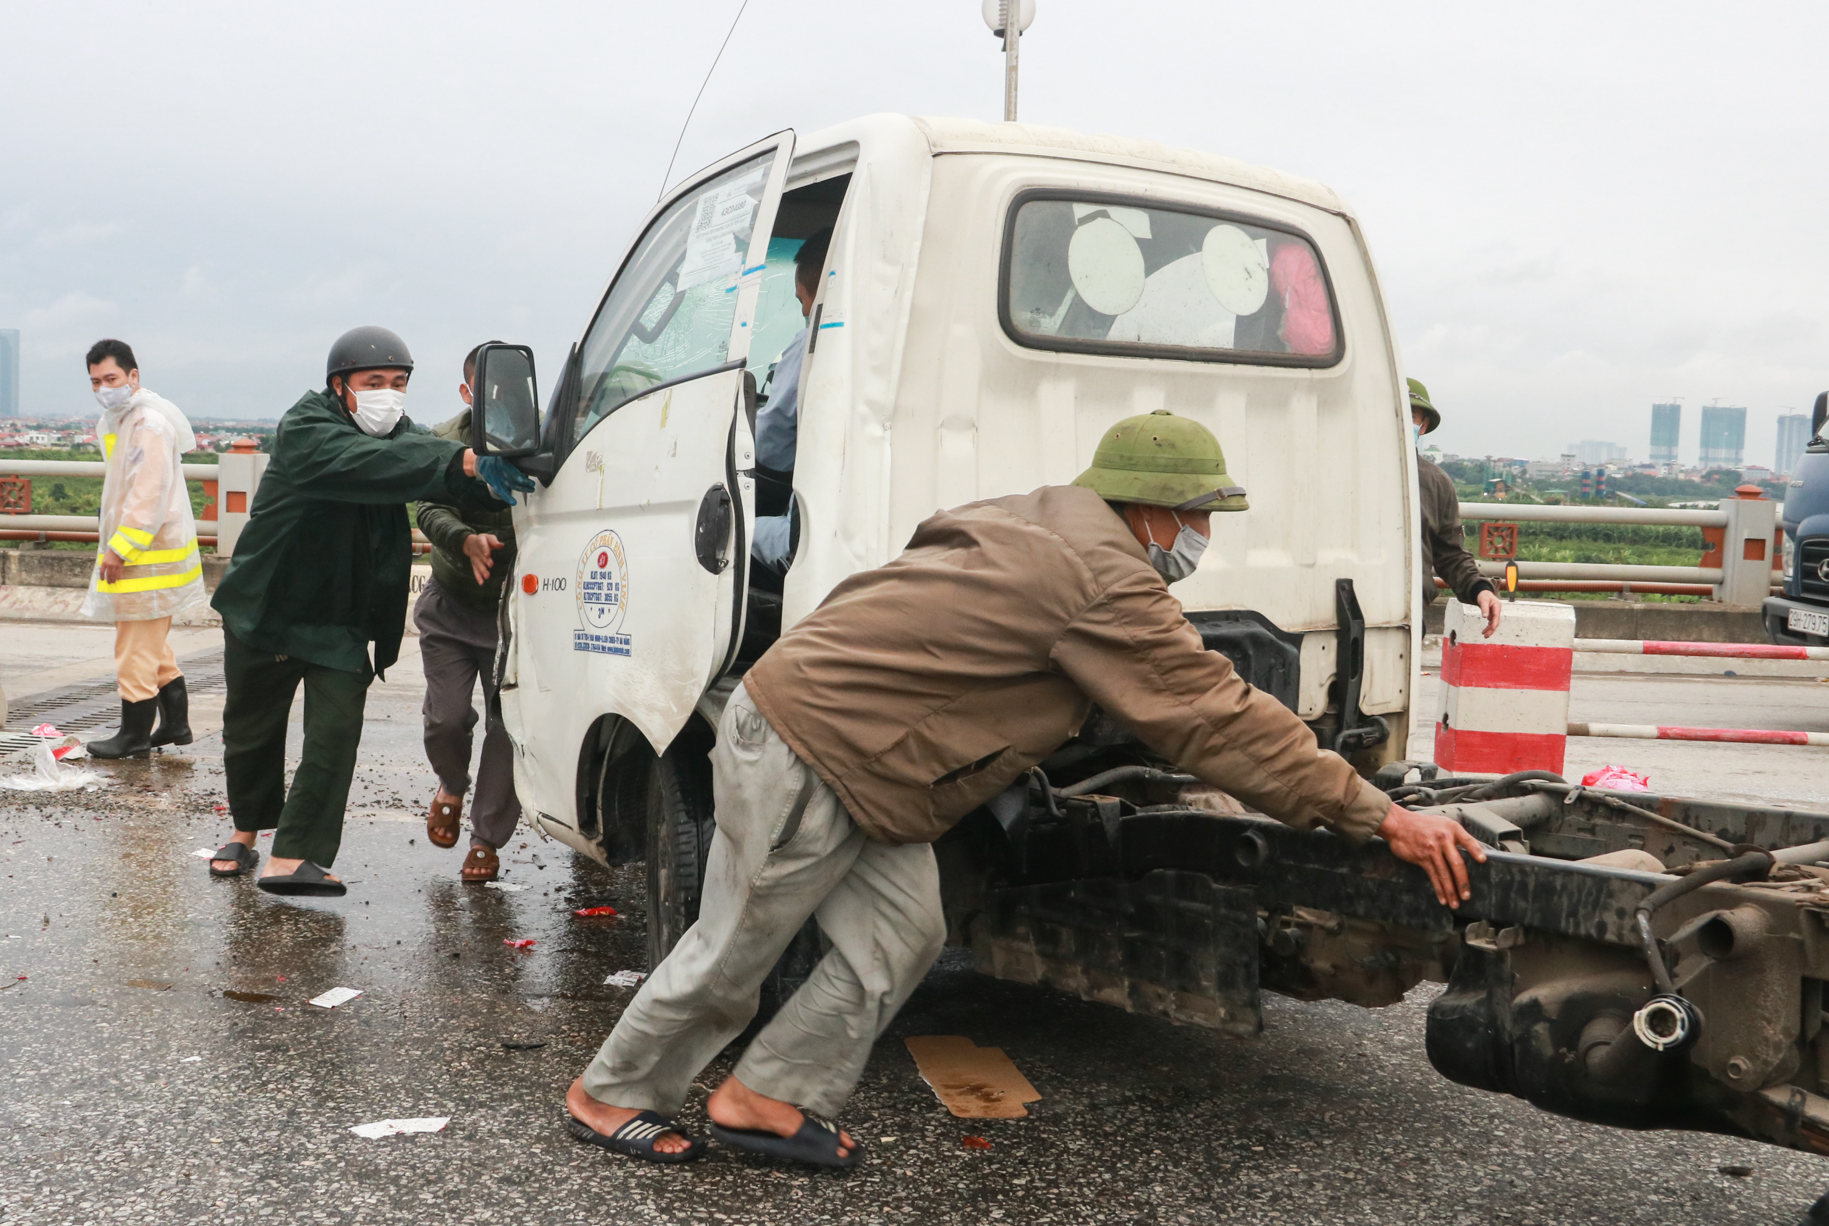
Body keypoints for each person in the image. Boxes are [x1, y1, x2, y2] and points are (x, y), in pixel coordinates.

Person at [562, 409, 1487, 1168]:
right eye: (1199, 516)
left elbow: (927, 563)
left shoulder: (1034, 512)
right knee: (738, 945)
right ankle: (611, 1093)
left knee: (901, 934)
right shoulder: (1100, 577)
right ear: (1153, 511)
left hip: (878, 763)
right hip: (815, 746)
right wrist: (1380, 815)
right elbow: (1217, 717)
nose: (1202, 537)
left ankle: (765, 1095)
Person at [204, 326, 534, 896]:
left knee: (334, 735)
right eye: (373, 382)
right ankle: (245, 831)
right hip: (270, 606)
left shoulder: (402, 433)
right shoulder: (307, 427)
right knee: (253, 732)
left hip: (341, 616)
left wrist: (497, 483)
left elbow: (430, 468)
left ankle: (294, 856)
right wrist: (466, 462)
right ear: (340, 386)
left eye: (399, 382)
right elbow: (376, 462)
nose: (388, 393)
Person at [416, 345, 521, 883]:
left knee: (507, 727)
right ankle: (451, 785)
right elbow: (428, 505)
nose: (500, 399)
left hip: (520, 614)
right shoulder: (444, 441)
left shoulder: (544, 439)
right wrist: (464, 540)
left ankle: (486, 838)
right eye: (488, 389)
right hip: (453, 604)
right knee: (447, 718)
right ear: (467, 393)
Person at [80, 339, 207, 757]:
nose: (104, 388)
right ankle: (175, 722)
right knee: (149, 643)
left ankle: (133, 735)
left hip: (146, 556)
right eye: (96, 381)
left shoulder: (147, 422)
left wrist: (120, 548)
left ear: (133, 376)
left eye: (111, 378)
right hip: (152, 555)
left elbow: (146, 494)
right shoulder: (127, 418)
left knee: (134, 645)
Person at [749, 227, 830, 578]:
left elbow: (773, 438)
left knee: (720, 534)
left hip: (807, 538)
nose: (804, 311)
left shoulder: (814, 342)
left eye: (802, 299)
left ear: (821, 292)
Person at [1409, 378, 1502, 637]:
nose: (1400, 419)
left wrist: (1481, 589)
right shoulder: (1344, 470)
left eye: (1411, 414)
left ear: (1423, 425)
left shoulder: (1435, 482)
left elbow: (1450, 554)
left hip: (1407, 616)